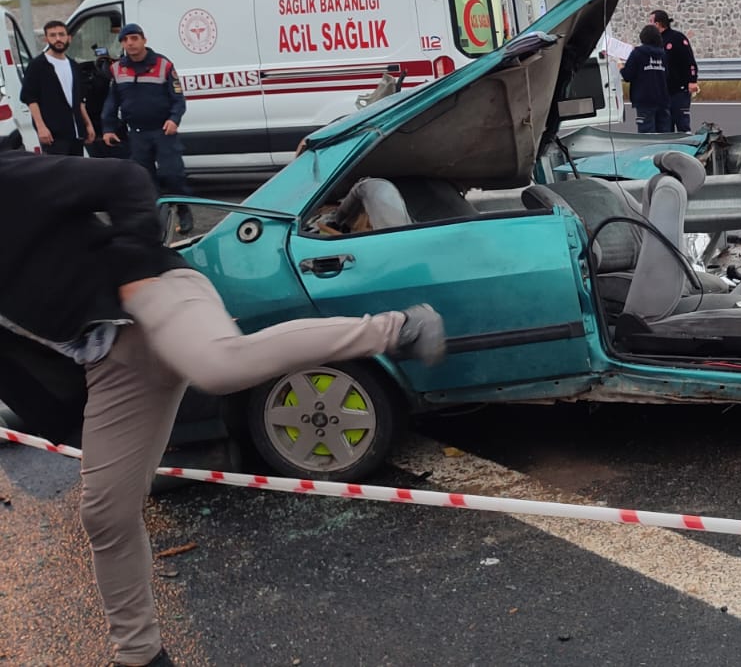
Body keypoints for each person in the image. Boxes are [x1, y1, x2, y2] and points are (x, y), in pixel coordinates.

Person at [0, 150, 445, 667]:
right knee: (105, 512)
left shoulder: (8, 179)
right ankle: (140, 657)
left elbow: (124, 178)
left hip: (151, 296)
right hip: (109, 361)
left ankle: (396, 329)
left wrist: (134, 267)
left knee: (217, 366)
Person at [101, 25, 193, 232]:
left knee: (173, 175)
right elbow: (111, 102)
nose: (130, 43)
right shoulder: (117, 69)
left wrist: (174, 119)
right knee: (144, 179)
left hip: (163, 132)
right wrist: (108, 127)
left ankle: (183, 210)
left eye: (134, 38)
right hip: (137, 134)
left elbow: (178, 99)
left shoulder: (163, 65)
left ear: (144, 40)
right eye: (125, 40)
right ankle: (155, 219)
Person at [20, 20, 97, 156]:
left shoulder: (73, 66)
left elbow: (79, 100)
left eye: (61, 34)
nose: (58, 39)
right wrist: (41, 127)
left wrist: (88, 124)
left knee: (76, 173)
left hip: (76, 133)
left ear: (69, 38)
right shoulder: (37, 65)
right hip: (53, 135)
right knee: (57, 175)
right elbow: (30, 98)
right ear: (46, 39)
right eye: (53, 35)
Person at [650, 9, 699, 132]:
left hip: (679, 90)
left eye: (650, 21)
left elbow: (689, 60)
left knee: (682, 124)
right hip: (662, 92)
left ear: (658, 24)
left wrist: (692, 80)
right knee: (665, 127)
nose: (648, 24)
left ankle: (687, 148)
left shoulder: (677, 38)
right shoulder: (654, 41)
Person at [620, 24, 671, 133]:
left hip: (644, 100)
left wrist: (620, 67)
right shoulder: (663, 54)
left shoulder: (637, 53)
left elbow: (627, 75)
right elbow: (666, 75)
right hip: (662, 99)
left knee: (647, 134)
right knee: (663, 133)